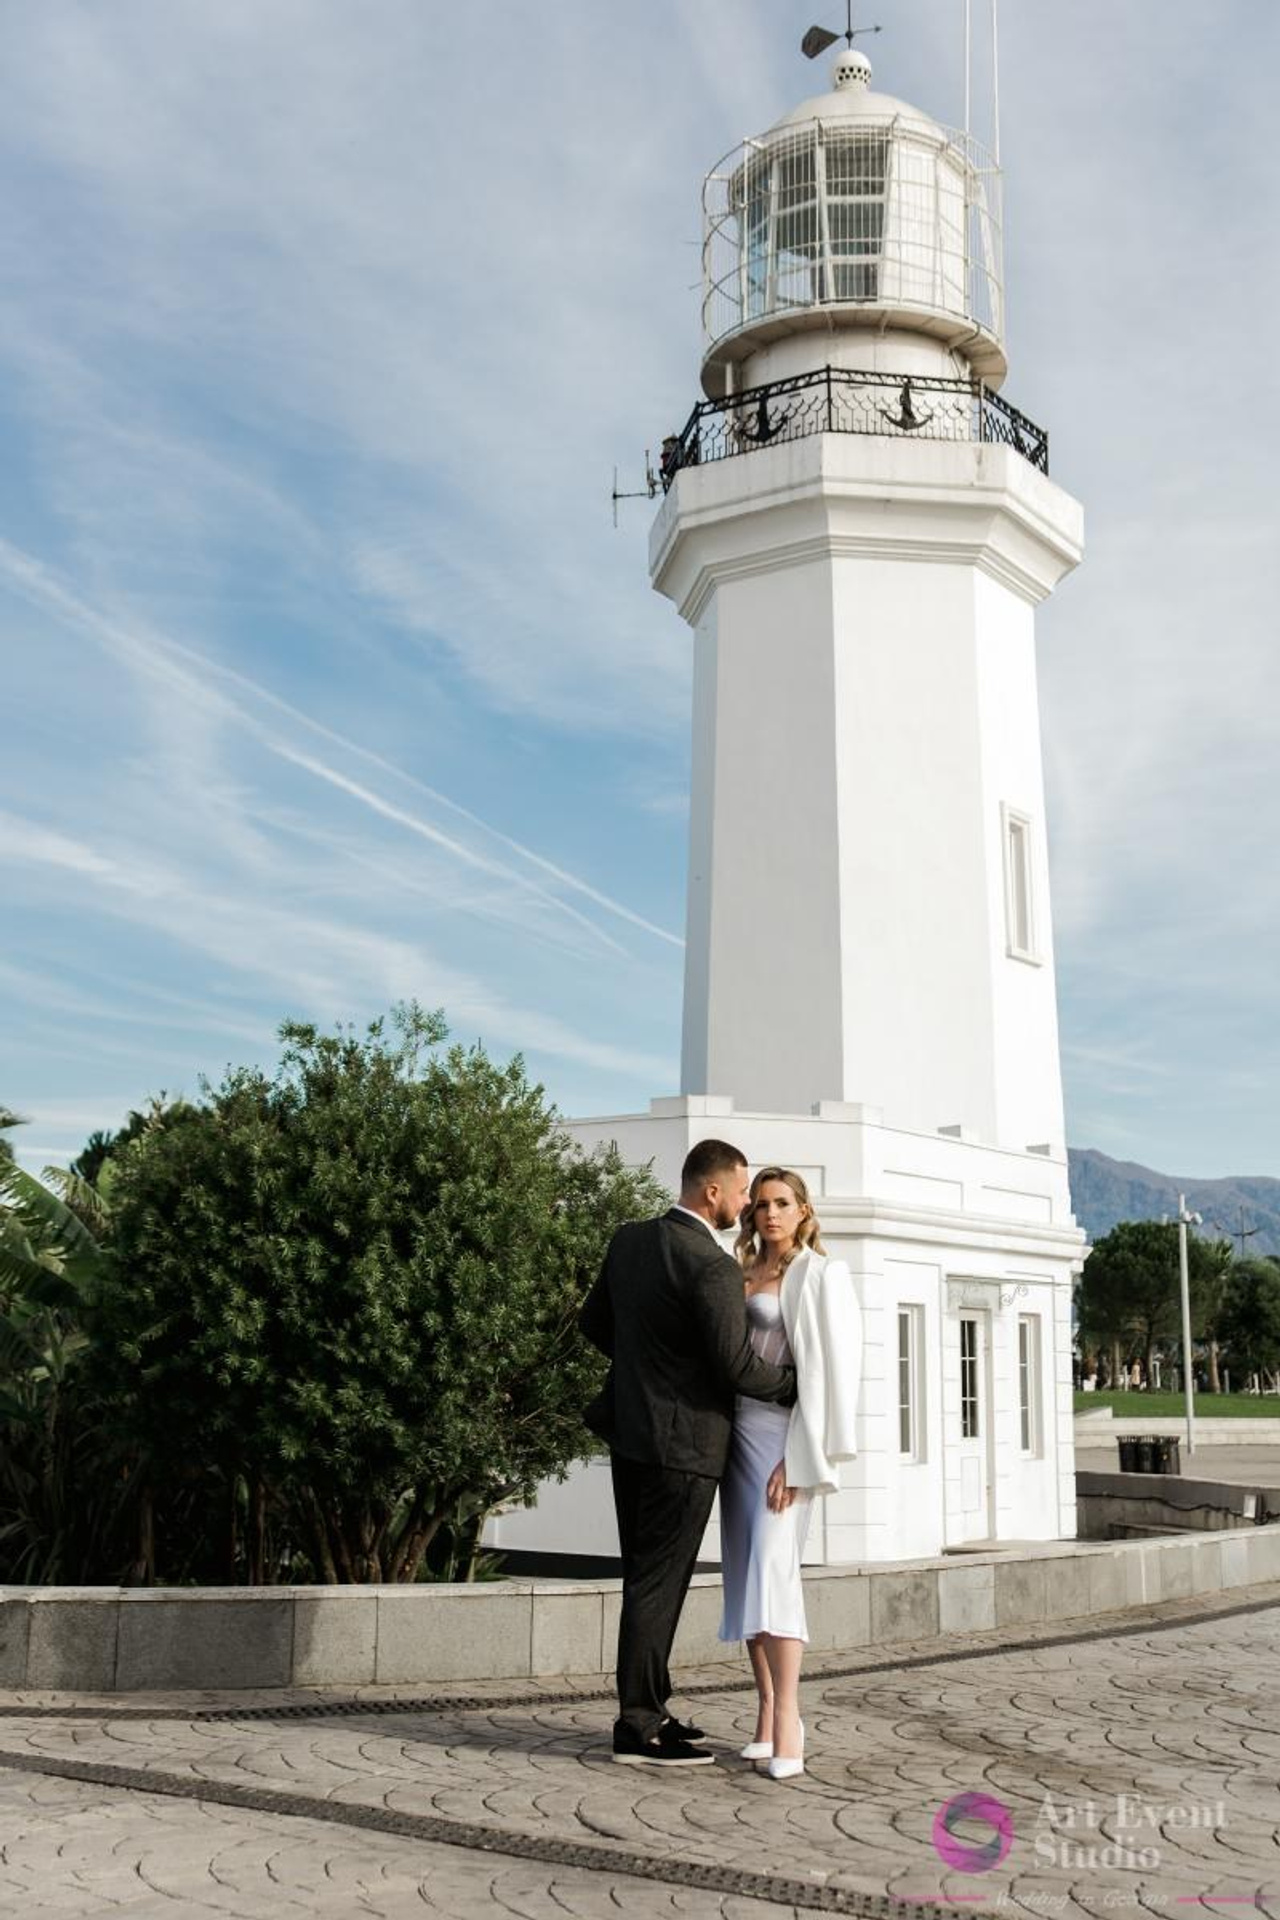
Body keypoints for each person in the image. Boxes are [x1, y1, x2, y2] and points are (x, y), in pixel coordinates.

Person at [579, 1139, 797, 1768]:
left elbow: (596, 1325)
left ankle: (650, 1707)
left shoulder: (628, 1240)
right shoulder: (711, 1264)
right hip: (686, 1444)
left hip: (631, 1436)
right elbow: (735, 1365)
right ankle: (639, 1726)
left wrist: (646, 1370)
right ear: (712, 1192)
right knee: (658, 1582)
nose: (746, 1205)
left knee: (646, 1577)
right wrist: (794, 1385)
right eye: (741, 1192)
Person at [719, 1167, 860, 1781]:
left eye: (783, 1204)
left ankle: (792, 1719)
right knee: (746, 1576)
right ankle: (767, 1707)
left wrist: (801, 1460)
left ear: (804, 1211)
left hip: (786, 1438)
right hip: (735, 1438)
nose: (770, 1214)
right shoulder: (738, 1271)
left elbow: (834, 1375)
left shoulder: (825, 1275)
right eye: (762, 1205)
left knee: (777, 1569)